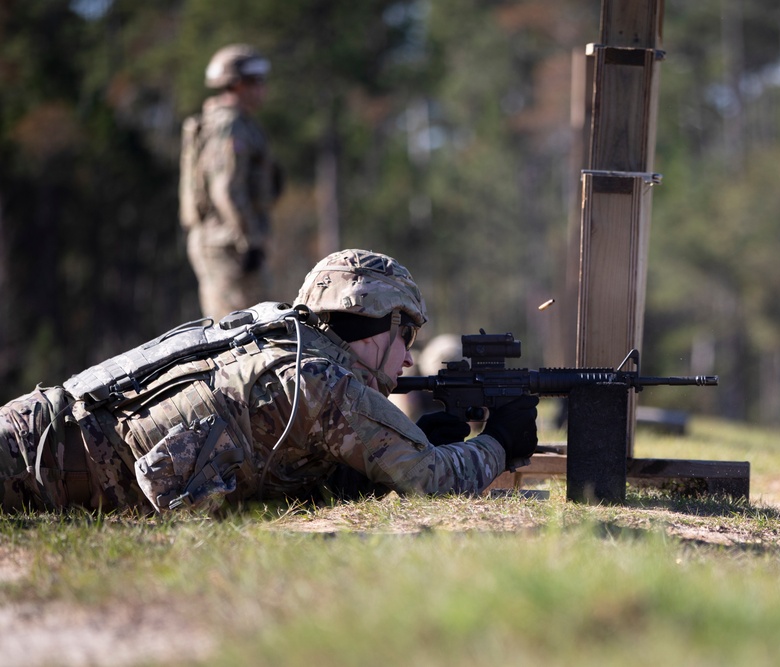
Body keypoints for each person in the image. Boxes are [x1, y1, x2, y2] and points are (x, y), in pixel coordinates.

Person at [0, 249, 539, 514]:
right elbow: (433, 482)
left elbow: (291, 470)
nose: (407, 357)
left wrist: (408, 444)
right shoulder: (323, 380)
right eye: (409, 335)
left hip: (39, 429)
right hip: (38, 464)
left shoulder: (280, 338)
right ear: (384, 325)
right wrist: (499, 442)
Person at [179, 44, 280, 323]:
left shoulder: (238, 124)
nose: (262, 89)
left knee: (262, 324)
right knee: (233, 332)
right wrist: (249, 240)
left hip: (231, 241)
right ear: (236, 85)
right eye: (255, 82)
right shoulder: (229, 125)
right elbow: (224, 189)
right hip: (225, 244)